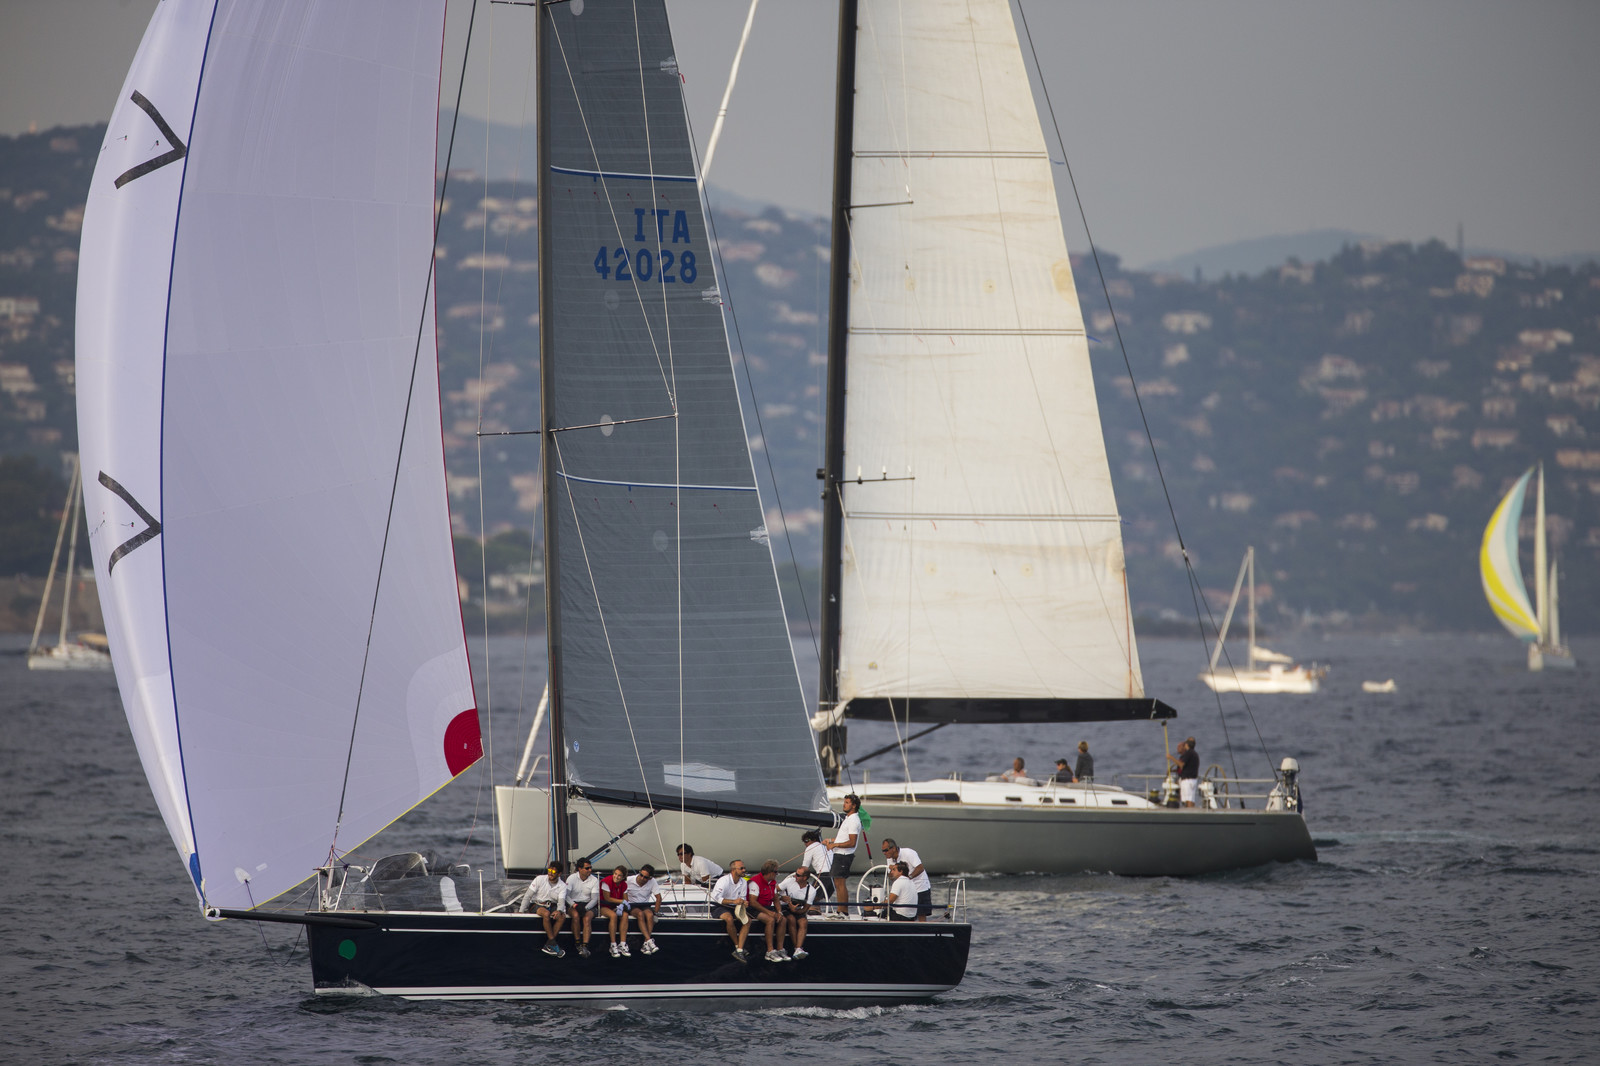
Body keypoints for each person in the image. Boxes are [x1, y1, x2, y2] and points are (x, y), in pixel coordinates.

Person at [823, 794, 862, 916]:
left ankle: (843, 911)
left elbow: (852, 842)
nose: (844, 804)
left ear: (854, 806)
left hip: (844, 855)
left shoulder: (854, 820)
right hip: (840, 854)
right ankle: (841, 910)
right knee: (837, 882)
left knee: (840, 883)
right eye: (844, 802)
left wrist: (834, 845)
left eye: (847, 802)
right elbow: (842, 837)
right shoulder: (848, 818)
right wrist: (831, 840)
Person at [710, 859, 754, 961]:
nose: (744, 870)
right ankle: (737, 945)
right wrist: (734, 901)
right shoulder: (723, 881)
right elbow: (716, 898)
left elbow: (742, 897)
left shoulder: (743, 882)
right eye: (741, 868)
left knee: (748, 921)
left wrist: (744, 902)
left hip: (735, 906)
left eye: (744, 868)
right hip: (718, 906)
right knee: (729, 919)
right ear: (733, 870)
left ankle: (739, 950)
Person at [522, 862, 568, 956]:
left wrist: (559, 911)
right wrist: (521, 911)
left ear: (559, 874)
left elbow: (561, 901)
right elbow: (528, 896)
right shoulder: (539, 879)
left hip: (552, 905)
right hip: (537, 904)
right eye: (549, 870)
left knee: (562, 916)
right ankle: (552, 942)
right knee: (546, 914)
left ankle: (549, 944)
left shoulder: (562, 885)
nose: (550, 873)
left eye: (553, 871)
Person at [880, 838, 932, 921]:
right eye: (882, 851)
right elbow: (892, 876)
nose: (884, 853)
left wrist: (908, 878)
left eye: (886, 850)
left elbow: (920, 868)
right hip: (906, 890)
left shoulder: (909, 853)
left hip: (920, 887)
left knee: (921, 914)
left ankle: (923, 931)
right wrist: (891, 873)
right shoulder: (889, 858)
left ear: (893, 848)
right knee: (907, 913)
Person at [777, 865, 822, 959]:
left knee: (803, 922)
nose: (795, 876)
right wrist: (782, 898)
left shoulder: (811, 891)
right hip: (785, 908)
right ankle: (797, 948)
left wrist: (796, 910)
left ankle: (798, 949)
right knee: (791, 919)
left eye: (797, 875)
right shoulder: (789, 881)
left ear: (805, 877)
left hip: (798, 910)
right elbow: (774, 890)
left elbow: (806, 908)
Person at [748, 860, 788, 961]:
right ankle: (770, 951)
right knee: (770, 919)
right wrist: (769, 912)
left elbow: (775, 899)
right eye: (776, 872)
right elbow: (753, 902)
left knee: (783, 919)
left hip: (767, 907)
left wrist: (779, 912)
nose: (777, 874)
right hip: (754, 908)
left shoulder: (772, 883)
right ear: (770, 872)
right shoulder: (755, 882)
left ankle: (780, 949)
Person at [565, 857, 599, 958]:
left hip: (588, 904)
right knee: (575, 916)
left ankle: (585, 945)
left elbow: (594, 899)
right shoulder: (571, 878)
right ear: (579, 869)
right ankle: (577, 942)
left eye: (590, 868)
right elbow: (566, 895)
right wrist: (574, 905)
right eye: (587, 868)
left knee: (587, 918)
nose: (590, 870)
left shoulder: (594, 880)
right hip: (574, 903)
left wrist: (586, 908)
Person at [626, 865, 664, 954]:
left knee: (650, 915)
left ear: (650, 878)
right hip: (632, 904)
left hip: (644, 904)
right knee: (640, 914)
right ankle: (649, 940)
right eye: (641, 875)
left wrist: (656, 912)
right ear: (639, 872)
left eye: (645, 877)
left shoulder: (653, 882)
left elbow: (658, 898)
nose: (642, 878)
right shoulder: (629, 880)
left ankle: (645, 943)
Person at [599, 864, 633, 956]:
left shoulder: (624, 885)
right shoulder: (606, 882)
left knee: (625, 915)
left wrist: (622, 904)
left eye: (619, 875)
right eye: (615, 874)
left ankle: (622, 944)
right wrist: (622, 901)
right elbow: (607, 898)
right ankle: (613, 944)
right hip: (603, 906)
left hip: (616, 907)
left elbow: (626, 899)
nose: (616, 877)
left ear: (623, 877)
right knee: (613, 916)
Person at [800, 829, 832, 905]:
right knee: (820, 896)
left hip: (824, 874)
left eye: (807, 840)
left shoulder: (810, 848)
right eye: (804, 841)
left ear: (814, 839)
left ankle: (813, 910)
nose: (805, 843)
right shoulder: (825, 847)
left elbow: (805, 867)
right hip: (834, 875)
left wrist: (797, 878)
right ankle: (815, 909)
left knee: (811, 895)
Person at [1167, 737, 1200, 808]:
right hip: (1192, 779)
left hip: (1188, 780)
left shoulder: (1189, 753)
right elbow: (1188, 767)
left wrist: (1171, 757)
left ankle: (1190, 815)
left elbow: (1181, 765)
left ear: (1186, 745)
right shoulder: (1194, 754)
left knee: (1189, 800)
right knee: (1190, 799)